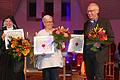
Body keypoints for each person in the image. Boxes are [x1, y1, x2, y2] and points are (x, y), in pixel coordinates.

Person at [83, 2, 114, 80]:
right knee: (89, 77)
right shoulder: (86, 24)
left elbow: (111, 38)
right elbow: (85, 40)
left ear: (97, 11)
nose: (89, 13)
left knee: (99, 77)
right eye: (88, 11)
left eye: (91, 11)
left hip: (99, 55)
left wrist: (100, 44)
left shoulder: (105, 22)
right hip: (88, 56)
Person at [35, 15, 63, 80]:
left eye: (51, 21)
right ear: (44, 23)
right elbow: (38, 47)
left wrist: (61, 42)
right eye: (48, 22)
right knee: (46, 78)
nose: (50, 23)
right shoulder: (40, 33)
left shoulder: (57, 32)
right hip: (45, 60)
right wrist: (40, 52)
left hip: (54, 60)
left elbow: (61, 45)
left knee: (55, 78)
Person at [0, 16, 24, 80]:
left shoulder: (18, 31)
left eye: (10, 21)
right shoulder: (1, 32)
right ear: (4, 23)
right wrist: (1, 39)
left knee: (16, 72)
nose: (8, 23)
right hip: (5, 56)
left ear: (13, 22)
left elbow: (22, 43)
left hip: (15, 56)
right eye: (6, 21)